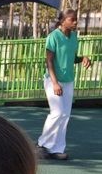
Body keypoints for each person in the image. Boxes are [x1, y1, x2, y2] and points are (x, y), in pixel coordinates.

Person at [38, 8, 91, 162]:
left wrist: (82, 59)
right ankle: (42, 144)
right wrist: (54, 83)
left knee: (65, 115)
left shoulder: (74, 37)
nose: (75, 22)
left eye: (76, 19)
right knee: (57, 112)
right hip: (53, 80)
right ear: (62, 21)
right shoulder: (53, 37)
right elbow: (49, 60)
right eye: (72, 19)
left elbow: (71, 58)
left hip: (68, 80)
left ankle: (57, 148)